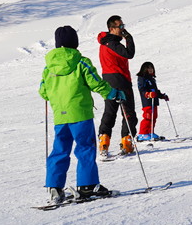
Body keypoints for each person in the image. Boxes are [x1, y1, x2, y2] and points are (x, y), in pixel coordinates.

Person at [38, 25, 124, 205]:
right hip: (80, 114)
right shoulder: (80, 62)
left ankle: (54, 187)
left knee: (60, 150)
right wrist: (113, 93)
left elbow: (43, 91)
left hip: (60, 117)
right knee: (85, 147)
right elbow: (96, 83)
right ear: (74, 42)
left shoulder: (48, 68)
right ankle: (88, 185)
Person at [97, 15, 137, 157]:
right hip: (119, 78)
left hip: (108, 78)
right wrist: (129, 38)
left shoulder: (105, 42)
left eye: (123, 26)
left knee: (110, 111)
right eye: (120, 27)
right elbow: (129, 54)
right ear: (111, 29)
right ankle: (126, 142)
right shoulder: (112, 43)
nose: (122, 29)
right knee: (128, 112)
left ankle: (104, 141)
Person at [136, 61, 169, 141]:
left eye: (152, 68)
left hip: (154, 101)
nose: (150, 70)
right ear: (144, 69)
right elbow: (142, 88)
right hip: (147, 101)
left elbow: (155, 90)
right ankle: (143, 134)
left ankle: (150, 132)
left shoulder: (152, 79)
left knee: (154, 117)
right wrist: (148, 94)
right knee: (148, 116)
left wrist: (162, 96)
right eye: (148, 68)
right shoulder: (142, 78)